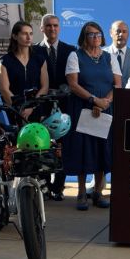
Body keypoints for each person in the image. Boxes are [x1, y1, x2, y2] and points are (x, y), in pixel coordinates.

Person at [65, 21, 122, 211]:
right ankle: (81, 193)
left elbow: (117, 84)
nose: (95, 37)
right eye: (90, 34)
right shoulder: (75, 55)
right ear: (84, 37)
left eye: (98, 34)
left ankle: (98, 192)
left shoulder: (109, 57)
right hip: (82, 109)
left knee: (102, 150)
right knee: (83, 150)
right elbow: (73, 84)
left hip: (106, 109)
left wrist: (105, 101)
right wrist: (93, 100)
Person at [36, 13, 75, 200]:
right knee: (42, 145)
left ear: (59, 28)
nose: (52, 29)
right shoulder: (34, 51)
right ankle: (43, 185)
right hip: (41, 106)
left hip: (65, 106)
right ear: (41, 28)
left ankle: (58, 187)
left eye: (55, 25)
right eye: (48, 26)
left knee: (63, 147)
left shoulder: (70, 50)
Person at [0, 21, 49, 118]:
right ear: (15, 36)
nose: (29, 37)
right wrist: (20, 109)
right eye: (24, 34)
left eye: (30, 33)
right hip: (15, 112)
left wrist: (31, 107)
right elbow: (4, 90)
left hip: (36, 110)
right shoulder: (4, 61)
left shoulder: (40, 60)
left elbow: (45, 87)